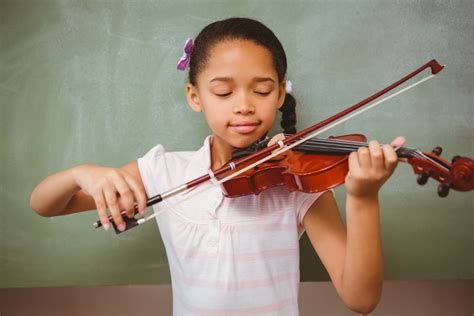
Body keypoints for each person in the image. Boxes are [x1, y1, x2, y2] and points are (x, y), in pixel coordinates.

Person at [30, 17, 404, 315]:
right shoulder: (164, 172)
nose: (243, 105)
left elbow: (361, 299)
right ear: (195, 96)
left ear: (278, 96)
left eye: (261, 90)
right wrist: (83, 173)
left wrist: (363, 198)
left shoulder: (296, 183)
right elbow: (45, 204)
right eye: (224, 92)